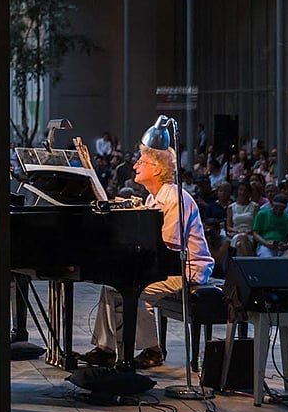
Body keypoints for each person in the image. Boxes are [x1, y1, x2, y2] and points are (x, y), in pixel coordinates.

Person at [80, 143, 215, 369]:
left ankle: (152, 350)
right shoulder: (153, 198)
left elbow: (168, 247)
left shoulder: (174, 198)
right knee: (111, 287)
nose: (135, 166)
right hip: (165, 264)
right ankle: (106, 349)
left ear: (157, 168)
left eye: (140, 162)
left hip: (186, 268)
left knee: (137, 291)